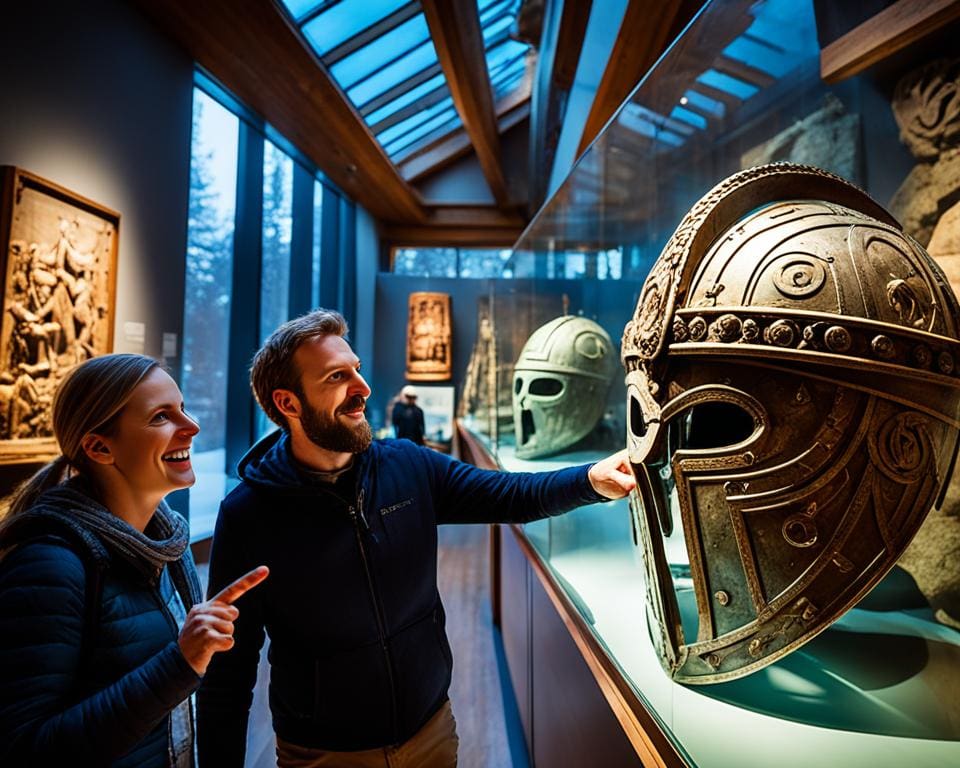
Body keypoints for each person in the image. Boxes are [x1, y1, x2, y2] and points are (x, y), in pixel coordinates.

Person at [197, 308, 635, 768]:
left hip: (430, 730)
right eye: (336, 377)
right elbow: (228, 672)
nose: (363, 388)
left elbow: (508, 494)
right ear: (288, 403)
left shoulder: (407, 466)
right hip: (325, 753)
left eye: (357, 371)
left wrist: (590, 478)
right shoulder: (250, 514)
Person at [0, 353, 268, 767]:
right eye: (162, 417)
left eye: (182, 409)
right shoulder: (51, 565)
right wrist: (179, 664)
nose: (192, 427)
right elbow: (25, 751)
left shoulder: (164, 545)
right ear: (100, 447)